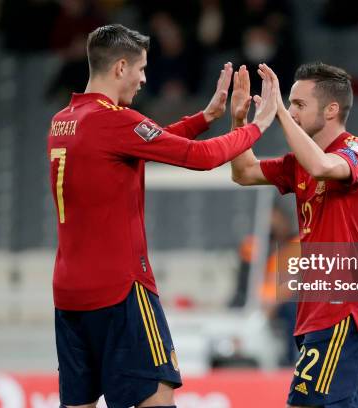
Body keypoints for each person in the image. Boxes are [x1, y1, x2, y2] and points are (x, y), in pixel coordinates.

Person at [48, 24, 277, 408]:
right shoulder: (113, 121)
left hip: (69, 293)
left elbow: (142, 141)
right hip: (120, 289)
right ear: (120, 67)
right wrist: (258, 125)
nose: (143, 78)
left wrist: (205, 117)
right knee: (157, 398)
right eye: (140, 68)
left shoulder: (64, 120)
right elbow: (200, 158)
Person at [230, 62, 358, 407]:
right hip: (312, 311)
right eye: (289, 103)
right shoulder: (298, 162)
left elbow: (323, 167)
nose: (291, 111)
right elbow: (244, 173)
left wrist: (278, 112)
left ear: (331, 110)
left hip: (342, 311)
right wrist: (239, 124)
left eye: (299, 104)